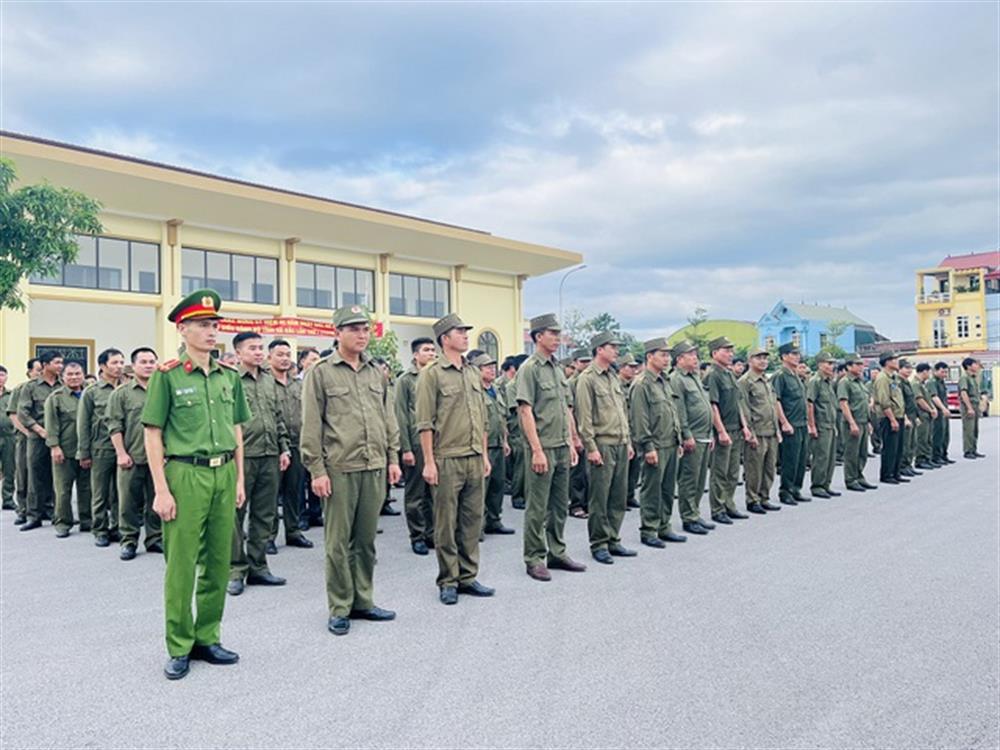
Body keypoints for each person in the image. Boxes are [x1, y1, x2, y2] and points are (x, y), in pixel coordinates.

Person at [142, 288, 250, 680]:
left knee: (219, 561)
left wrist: (239, 478)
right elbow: (152, 433)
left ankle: (208, 636)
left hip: (223, 473)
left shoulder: (229, 376)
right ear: (183, 330)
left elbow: (237, 428)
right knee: (182, 564)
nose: (211, 332)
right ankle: (179, 644)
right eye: (203, 325)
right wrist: (161, 489)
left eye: (214, 325)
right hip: (185, 474)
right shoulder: (167, 376)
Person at [300, 306, 402, 636]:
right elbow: (311, 425)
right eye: (354, 328)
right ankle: (340, 606)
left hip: (373, 466)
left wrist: (393, 458)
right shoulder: (321, 372)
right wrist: (316, 470)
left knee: (366, 541)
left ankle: (364, 601)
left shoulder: (376, 372)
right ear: (338, 332)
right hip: (339, 468)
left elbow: (388, 417)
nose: (362, 334)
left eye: (365, 329)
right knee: (337, 543)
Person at [416, 313, 494, 605]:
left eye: (465, 331)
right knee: (446, 524)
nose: (465, 336)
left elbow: (482, 419)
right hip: (446, 457)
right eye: (460, 332)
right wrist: (429, 461)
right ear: (445, 338)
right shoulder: (431, 374)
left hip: (474, 456)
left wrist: (484, 455)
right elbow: (425, 422)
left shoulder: (473, 372)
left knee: (472, 521)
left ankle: (468, 576)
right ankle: (448, 580)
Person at [515, 313, 587, 581]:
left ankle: (557, 552)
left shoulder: (557, 368)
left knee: (559, 505)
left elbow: (565, 409)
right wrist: (536, 450)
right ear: (538, 337)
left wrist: (571, 440)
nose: (557, 339)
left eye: (558, 334)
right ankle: (534, 557)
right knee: (537, 506)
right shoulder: (530, 368)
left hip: (560, 446)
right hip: (542, 447)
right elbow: (525, 411)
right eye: (552, 334)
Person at [227, 331, 290, 596]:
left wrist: (284, 448)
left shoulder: (269, 381)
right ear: (239, 353)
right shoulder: (229, 380)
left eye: (260, 347)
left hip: (269, 455)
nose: (258, 352)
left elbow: (277, 417)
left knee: (264, 515)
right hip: (242, 457)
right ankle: (235, 570)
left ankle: (258, 566)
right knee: (235, 515)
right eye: (252, 348)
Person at [576, 332, 636, 564]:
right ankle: (599, 543)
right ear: (599, 349)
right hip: (602, 443)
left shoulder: (613, 377)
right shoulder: (587, 378)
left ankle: (613, 538)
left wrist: (628, 442)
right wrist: (591, 447)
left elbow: (622, 413)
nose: (616, 351)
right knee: (600, 497)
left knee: (618, 496)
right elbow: (584, 417)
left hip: (620, 443)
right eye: (612, 347)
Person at [107, 347, 163, 559]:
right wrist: (121, 453)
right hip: (132, 456)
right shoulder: (121, 394)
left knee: (156, 500)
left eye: (152, 361)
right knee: (128, 502)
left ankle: (155, 538)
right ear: (133, 366)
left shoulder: (162, 389)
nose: (149, 365)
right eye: (144, 362)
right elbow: (114, 425)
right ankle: (128, 540)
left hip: (159, 458)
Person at [630, 338, 686, 547]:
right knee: (652, 489)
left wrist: (678, 439)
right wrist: (647, 447)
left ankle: (664, 526)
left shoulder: (664, 380)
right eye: (662, 354)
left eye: (668, 355)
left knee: (667, 488)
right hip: (655, 445)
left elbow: (672, 411)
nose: (667, 359)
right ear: (649, 356)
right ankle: (649, 529)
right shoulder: (642, 383)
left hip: (670, 443)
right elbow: (640, 418)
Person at [267, 339, 313, 550]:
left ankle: (293, 531)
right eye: (280, 354)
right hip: (273, 445)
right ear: (270, 358)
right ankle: (268, 536)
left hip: (297, 443)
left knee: (294, 491)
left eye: (288, 355)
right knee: (270, 493)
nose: (285, 358)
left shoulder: (299, 385)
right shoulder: (265, 383)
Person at [78, 347, 125, 546]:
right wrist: (84, 452)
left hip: (124, 448)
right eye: (114, 363)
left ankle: (117, 527)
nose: (119, 367)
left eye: (121, 362)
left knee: (120, 492)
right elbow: (83, 422)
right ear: (103, 366)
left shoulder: (127, 389)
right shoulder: (92, 392)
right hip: (101, 447)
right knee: (100, 492)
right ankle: (100, 529)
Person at [395, 336, 437, 555]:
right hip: (415, 442)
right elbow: (400, 415)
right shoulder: (405, 380)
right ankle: (417, 535)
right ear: (415, 354)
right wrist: (406, 448)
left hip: (437, 443)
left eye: (433, 350)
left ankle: (431, 533)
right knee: (416, 493)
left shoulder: (438, 376)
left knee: (434, 492)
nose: (431, 354)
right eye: (426, 350)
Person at [670, 340, 716, 535]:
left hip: (704, 435)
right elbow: (680, 411)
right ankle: (688, 517)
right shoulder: (677, 379)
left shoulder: (695, 377)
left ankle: (695, 513)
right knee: (689, 479)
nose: (696, 359)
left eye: (696, 355)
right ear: (680, 358)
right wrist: (686, 435)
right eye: (691, 355)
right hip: (693, 437)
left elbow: (704, 406)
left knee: (699, 479)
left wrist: (711, 432)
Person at [705, 336, 752, 524]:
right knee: (720, 472)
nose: (730, 354)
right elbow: (713, 405)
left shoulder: (730, 374)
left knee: (733, 472)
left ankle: (729, 504)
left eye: (731, 350)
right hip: (722, 430)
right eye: (726, 350)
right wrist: (721, 431)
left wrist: (744, 427)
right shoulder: (712, 375)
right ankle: (717, 509)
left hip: (735, 429)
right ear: (715, 353)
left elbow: (737, 403)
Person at [16, 350, 63, 531]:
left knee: (58, 475)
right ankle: (33, 515)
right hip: (37, 437)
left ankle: (56, 512)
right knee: (35, 476)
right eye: (56, 362)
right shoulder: (31, 387)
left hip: (60, 437)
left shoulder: (63, 385)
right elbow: (23, 413)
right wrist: (40, 430)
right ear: (45, 365)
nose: (60, 366)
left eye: (61, 363)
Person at [44, 361, 91, 538]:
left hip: (85, 450)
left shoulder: (89, 394)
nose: (74, 377)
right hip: (65, 450)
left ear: (83, 375)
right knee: (63, 490)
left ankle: (87, 521)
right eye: (70, 374)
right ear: (62, 377)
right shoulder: (55, 398)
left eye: (78, 374)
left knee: (87, 488)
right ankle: (63, 523)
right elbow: (51, 425)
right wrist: (55, 447)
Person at [739, 347, 782, 513]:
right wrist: (750, 432)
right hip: (757, 431)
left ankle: (764, 497)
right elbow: (744, 408)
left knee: (769, 468)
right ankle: (753, 499)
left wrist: (777, 429)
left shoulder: (766, 380)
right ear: (750, 361)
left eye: (765, 358)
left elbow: (772, 406)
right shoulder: (745, 381)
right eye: (759, 358)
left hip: (771, 430)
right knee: (754, 469)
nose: (763, 361)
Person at [476, 352, 513, 537]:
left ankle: (494, 520)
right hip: (485, 445)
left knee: (497, 485)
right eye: (487, 367)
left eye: (493, 367)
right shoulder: (476, 391)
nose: (492, 370)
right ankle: (478, 525)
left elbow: (502, 417)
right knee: (481, 487)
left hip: (498, 443)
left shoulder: (496, 390)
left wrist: (505, 440)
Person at [772, 343, 809, 505]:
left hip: (801, 423)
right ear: (784, 357)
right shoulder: (780, 376)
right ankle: (785, 491)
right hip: (790, 423)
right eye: (793, 354)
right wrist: (784, 422)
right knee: (790, 459)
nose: (797, 356)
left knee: (801, 459)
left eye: (798, 353)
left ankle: (796, 489)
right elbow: (776, 400)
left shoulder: (796, 376)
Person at [7, 358, 41, 525]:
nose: (40, 373)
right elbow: (14, 415)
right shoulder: (21, 389)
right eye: (37, 370)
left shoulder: (51, 387)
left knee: (43, 474)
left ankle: (46, 508)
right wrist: (29, 432)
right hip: (26, 438)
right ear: (29, 372)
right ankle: (22, 510)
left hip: (44, 438)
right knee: (23, 474)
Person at [838, 354, 876, 492]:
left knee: (862, 452)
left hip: (863, 421)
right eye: (858, 364)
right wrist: (852, 423)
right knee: (852, 453)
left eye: (862, 364)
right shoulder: (845, 382)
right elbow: (843, 403)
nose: (861, 367)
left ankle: (859, 476)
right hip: (852, 422)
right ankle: (850, 479)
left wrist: (868, 422)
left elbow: (865, 403)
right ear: (849, 366)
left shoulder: (860, 382)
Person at [806, 352, 840, 498]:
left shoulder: (828, 382)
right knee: (821, 456)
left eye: (832, 364)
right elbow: (810, 404)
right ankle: (817, 485)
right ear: (820, 364)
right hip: (821, 425)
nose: (831, 366)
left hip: (830, 424)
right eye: (828, 363)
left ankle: (826, 484)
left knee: (831, 457)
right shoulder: (815, 381)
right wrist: (812, 425)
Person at [297, 347, 323, 530]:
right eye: (312, 360)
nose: (316, 363)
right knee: (300, 481)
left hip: (318, 437)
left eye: (318, 359)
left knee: (316, 475)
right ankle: (302, 516)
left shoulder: (320, 380)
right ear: (302, 362)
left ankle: (316, 513)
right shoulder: (294, 383)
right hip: (298, 437)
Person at [872, 352, 906, 484]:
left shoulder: (894, 377)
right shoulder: (882, 378)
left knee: (898, 447)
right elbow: (884, 400)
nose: (897, 361)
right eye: (894, 359)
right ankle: (887, 474)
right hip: (888, 417)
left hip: (899, 415)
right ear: (887, 362)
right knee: (890, 447)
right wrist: (892, 419)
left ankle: (896, 472)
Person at [567, 348, 592, 519]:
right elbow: (570, 411)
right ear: (575, 363)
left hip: (589, 430)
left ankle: (587, 502)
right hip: (576, 429)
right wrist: (574, 436)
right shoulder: (571, 383)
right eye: (582, 361)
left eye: (588, 361)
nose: (586, 364)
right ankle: (576, 504)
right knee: (577, 472)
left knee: (589, 472)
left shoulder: (590, 380)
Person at [617, 353, 642, 509]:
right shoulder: (617, 385)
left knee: (635, 467)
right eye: (630, 367)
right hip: (623, 431)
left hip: (635, 430)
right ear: (621, 368)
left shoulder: (634, 385)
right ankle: (621, 498)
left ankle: (630, 495)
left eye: (635, 367)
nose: (634, 370)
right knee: (623, 468)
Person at [911, 363, 940, 471]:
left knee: (928, 437)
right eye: (929, 372)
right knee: (922, 438)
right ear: (924, 371)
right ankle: (921, 460)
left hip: (927, 415)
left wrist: (933, 409)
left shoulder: (922, 384)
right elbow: (919, 399)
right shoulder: (915, 384)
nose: (929, 374)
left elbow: (927, 398)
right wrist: (930, 409)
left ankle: (927, 458)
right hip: (921, 414)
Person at [959, 358, 985, 459]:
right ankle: (968, 451)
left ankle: (973, 449)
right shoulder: (964, 378)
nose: (977, 366)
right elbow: (963, 393)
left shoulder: (973, 378)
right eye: (975, 364)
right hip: (968, 406)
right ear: (969, 366)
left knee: (974, 429)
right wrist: (969, 408)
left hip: (975, 405)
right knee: (968, 429)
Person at [931, 362, 954, 465]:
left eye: (946, 372)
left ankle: (943, 455)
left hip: (943, 412)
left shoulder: (941, 382)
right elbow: (934, 396)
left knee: (945, 435)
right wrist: (943, 408)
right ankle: (936, 456)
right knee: (937, 435)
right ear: (935, 371)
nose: (944, 374)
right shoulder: (932, 382)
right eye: (942, 372)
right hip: (937, 412)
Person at [0, 365, 15, 511]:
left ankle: (8, 499)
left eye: (2, 375)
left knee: (9, 468)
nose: (0, 378)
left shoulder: (11, 395)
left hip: (9, 436)